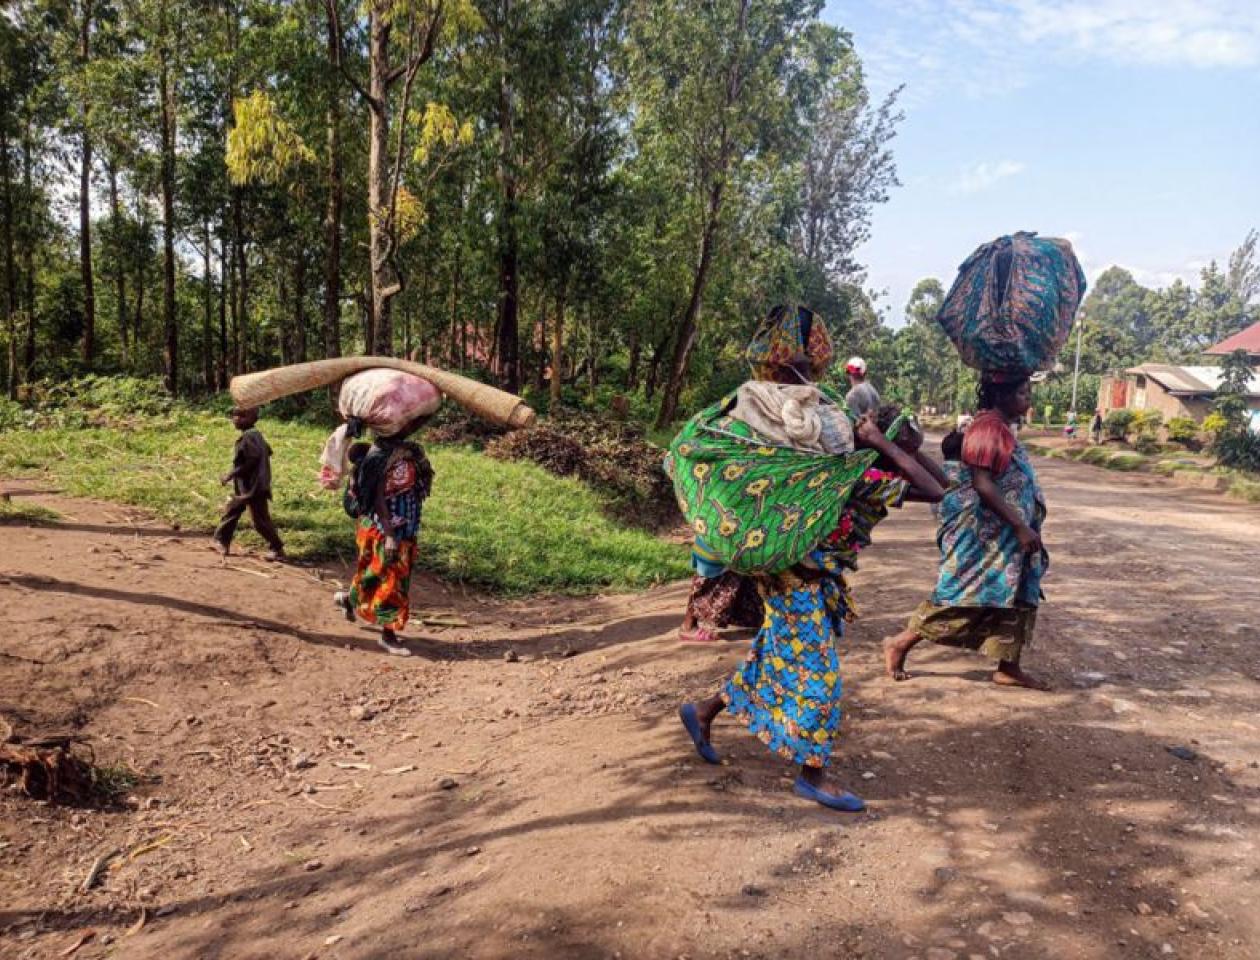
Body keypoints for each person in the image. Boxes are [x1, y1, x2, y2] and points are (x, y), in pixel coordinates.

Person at [677, 317, 946, 811]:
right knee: (819, 673)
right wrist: (882, 444)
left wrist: (892, 446)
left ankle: (703, 711)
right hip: (792, 576)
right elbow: (932, 488)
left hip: (806, 576)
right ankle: (812, 774)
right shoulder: (837, 469)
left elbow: (939, 487)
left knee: (772, 654)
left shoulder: (852, 475)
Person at [883, 375, 1051, 691]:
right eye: (1021, 392)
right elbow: (982, 483)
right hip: (988, 536)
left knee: (1017, 596)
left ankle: (1009, 666)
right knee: (964, 595)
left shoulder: (1001, 428)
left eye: (1028, 391)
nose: (1028, 399)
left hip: (1008, 535)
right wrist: (1019, 525)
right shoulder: (989, 429)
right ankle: (900, 643)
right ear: (1001, 396)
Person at [333, 417, 435, 657]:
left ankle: (349, 599)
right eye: (405, 422)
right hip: (384, 529)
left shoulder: (408, 451)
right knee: (393, 582)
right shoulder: (376, 458)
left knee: (375, 574)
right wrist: (389, 534)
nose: (409, 425)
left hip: (406, 526)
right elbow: (377, 498)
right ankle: (388, 635)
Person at [213, 407, 285, 561]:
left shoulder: (248, 438)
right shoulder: (256, 435)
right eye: (235, 415)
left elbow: (251, 460)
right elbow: (267, 451)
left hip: (253, 487)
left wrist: (229, 475)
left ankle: (277, 547)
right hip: (250, 484)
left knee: (259, 521)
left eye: (243, 416)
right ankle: (221, 541)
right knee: (233, 510)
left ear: (254, 419)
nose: (237, 418)